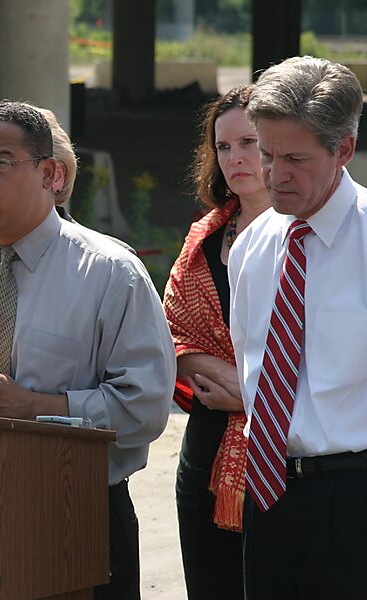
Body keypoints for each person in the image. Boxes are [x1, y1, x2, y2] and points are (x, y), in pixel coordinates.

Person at [0, 101, 176, 599]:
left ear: (51, 174)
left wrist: (32, 407)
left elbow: (146, 405)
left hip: (72, 516)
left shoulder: (110, 272)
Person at [228, 56, 366, 598]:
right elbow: (252, 372)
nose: (273, 174)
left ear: (344, 151)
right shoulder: (254, 245)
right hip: (268, 494)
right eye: (266, 153)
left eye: (295, 159)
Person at [163, 85, 270, 599]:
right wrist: (232, 381)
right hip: (205, 447)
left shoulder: (308, 235)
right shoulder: (204, 235)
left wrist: (252, 394)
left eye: (247, 142)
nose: (234, 158)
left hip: (283, 449)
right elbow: (173, 333)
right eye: (223, 147)